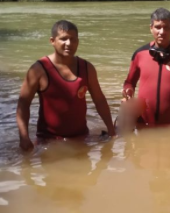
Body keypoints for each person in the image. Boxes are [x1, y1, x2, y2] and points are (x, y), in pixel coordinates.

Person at [16, 20, 116, 151]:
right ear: (52, 41)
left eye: (73, 39)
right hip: (48, 142)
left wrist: (111, 130)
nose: (69, 43)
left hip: (81, 138)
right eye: (63, 39)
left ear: (78, 42)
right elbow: (23, 104)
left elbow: (99, 100)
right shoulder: (39, 70)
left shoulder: (87, 68)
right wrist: (24, 137)